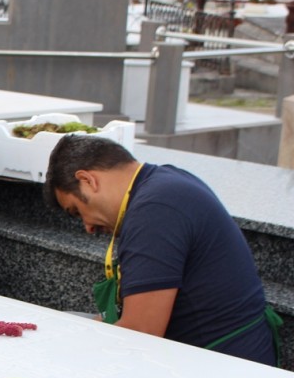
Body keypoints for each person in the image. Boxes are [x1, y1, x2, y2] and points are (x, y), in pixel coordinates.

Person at [44, 135, 280, 366]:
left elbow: (140, 332)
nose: (87, 227)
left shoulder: (155, 210)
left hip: (225, 369)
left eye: (76, 211)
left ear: (88, 180)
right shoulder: (165, 181)